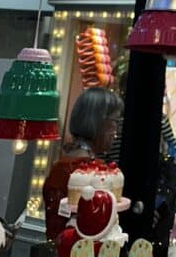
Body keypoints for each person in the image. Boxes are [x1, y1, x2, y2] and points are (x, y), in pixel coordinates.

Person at [42, 86, 124, 243]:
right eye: (115, 121)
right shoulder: (85, 171)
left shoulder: (64, 164)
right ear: (99, 122)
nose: (116, 130)